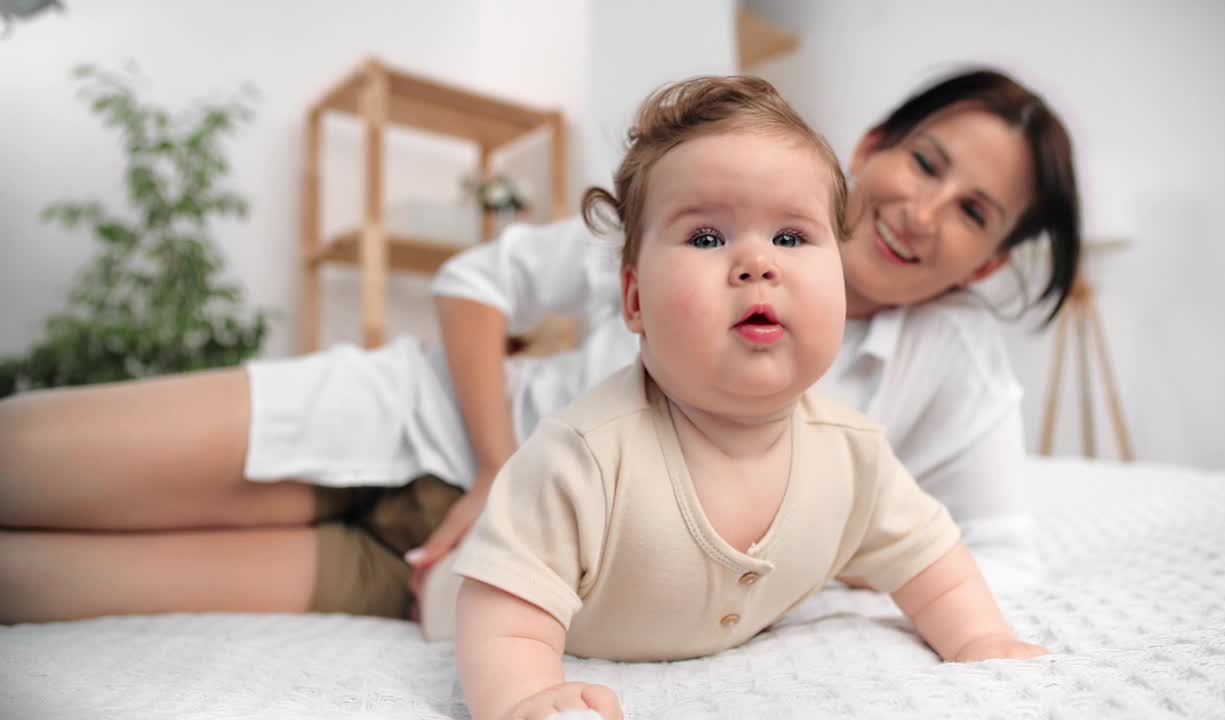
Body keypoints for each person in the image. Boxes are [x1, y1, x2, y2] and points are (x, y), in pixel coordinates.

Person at [0, 66, 1078, 624]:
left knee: (31, 585)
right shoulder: (717, 197)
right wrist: (497, 464)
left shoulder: (954, 368)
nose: (924, 213)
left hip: (444, 577)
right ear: (873, 147)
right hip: (416, 421)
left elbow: (999, 561)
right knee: (26, 459)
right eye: (926, 162)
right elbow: (477, 283)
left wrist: (805, 557)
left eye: (976, 213)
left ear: (984, 264)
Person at [425, 74, 1046, 720]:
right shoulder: (582, 454)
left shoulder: (855, 456)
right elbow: (505, 610)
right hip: (451, 589)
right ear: (634, 299)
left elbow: (935, 563)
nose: (757, 264)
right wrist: (524, 696)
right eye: (707, 238)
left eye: (790, 238)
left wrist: (980, 640)